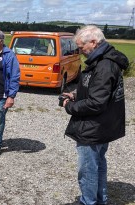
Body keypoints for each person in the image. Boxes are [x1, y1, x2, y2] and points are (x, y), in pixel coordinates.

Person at [61, 25, 128, 205]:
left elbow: (97, 102)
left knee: (89, 168)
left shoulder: (105, 65)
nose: (80, 51)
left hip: (94, 127)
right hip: (101, 125)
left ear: (94, 42)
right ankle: (100, 200)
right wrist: (76, 94)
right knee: (98, 164)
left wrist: (70, 106)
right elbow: (99, 92)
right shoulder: (101, 60)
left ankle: (88, 201)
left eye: (82, 47)